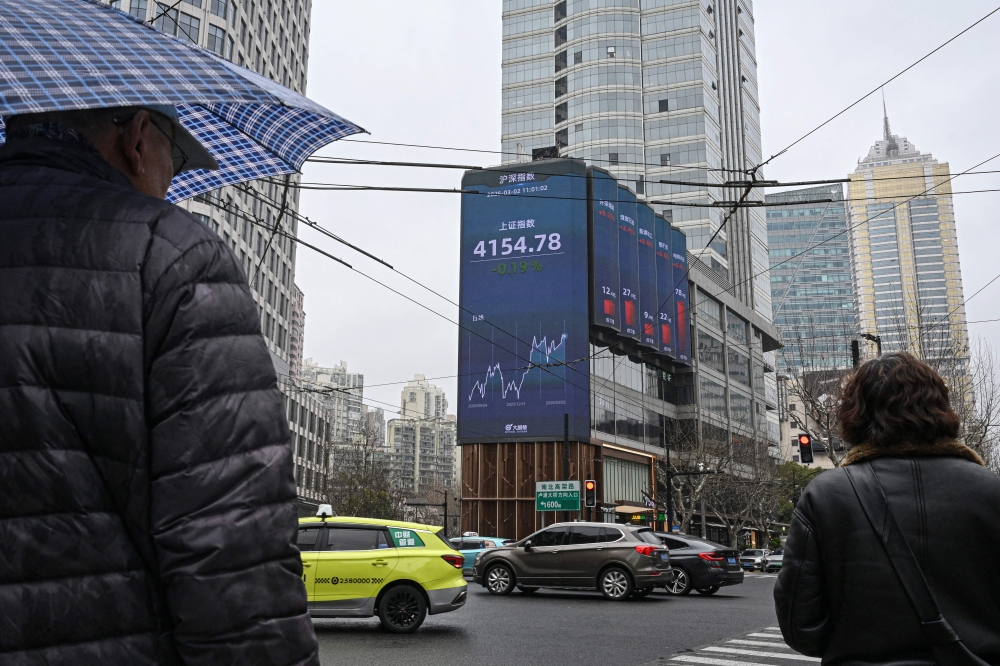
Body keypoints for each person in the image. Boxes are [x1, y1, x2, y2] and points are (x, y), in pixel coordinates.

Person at [0, 106, 318, 664]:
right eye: (179, 156)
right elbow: (232, 554)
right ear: (139, 138)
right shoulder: (169, 255)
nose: (174, 180)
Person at [774, 352, 1000, 664]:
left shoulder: (826, 495)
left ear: (854, 414)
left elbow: (802, 628)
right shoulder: (991, 491)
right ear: (942, 407)